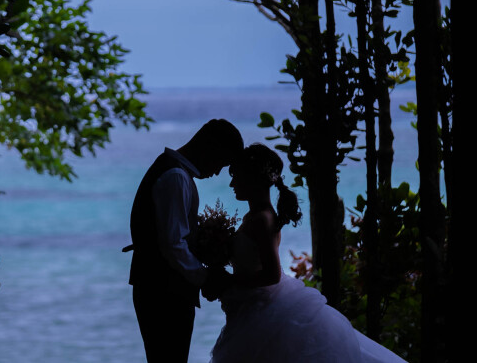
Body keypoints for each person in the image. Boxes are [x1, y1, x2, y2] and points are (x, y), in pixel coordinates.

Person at [206, 143, 408, 363]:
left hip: (261, 308)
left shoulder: (261, 220)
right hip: (249, 305)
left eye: (237, 176)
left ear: (253, 179)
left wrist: (229, 280)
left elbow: (272, 275)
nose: (232, 183)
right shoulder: (255, 216)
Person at [127, 119, 245, 363]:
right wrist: (205, 278)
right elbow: (173, 244)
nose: (217, 172)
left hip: (158, 288)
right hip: (164, 293)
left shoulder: (171, 170)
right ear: (210, 148)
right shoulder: (176, 178)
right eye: (220, 163)